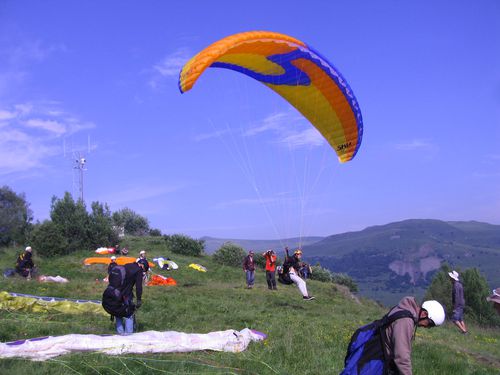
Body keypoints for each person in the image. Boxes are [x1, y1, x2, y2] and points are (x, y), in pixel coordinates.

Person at [383, 297, 445, 375]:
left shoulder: (404, 310)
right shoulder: (405, 321)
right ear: (424, 314)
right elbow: (402, 357)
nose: (428, 327)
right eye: (430, 324)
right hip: (383, 363)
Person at [115, 258, 149, 335]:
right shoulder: (138, 270)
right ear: (142, 266)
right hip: (126, 294)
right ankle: (129, 336)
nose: (143, 272)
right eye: (144, 270)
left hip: (115, 293)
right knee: (129, 314)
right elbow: (138, 287)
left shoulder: (127, 265)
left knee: (118, 313)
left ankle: (119, 335)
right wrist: (139, 299)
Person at [449, 270, 468, 334]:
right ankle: (465, 331)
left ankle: (463, 331)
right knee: (460, 319)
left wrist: (455, 307)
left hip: (458, 305)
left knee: (454, 319)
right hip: (461, 304)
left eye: (450, 277)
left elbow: (456, 297)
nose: (449, 278)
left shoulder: (456, 285)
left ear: (452, 278)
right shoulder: (459, 284)